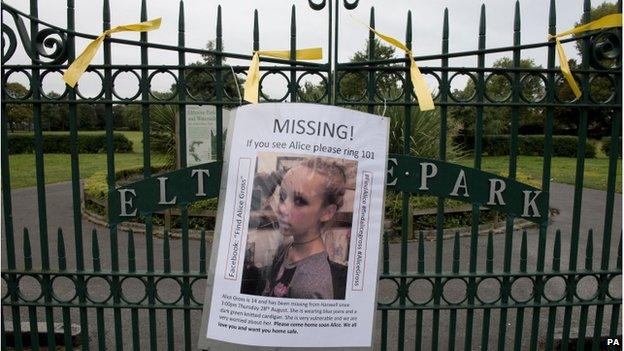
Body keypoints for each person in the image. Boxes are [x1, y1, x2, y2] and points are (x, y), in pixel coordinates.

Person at [262, 157, 347, 299]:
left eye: (300, 201)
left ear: (327, 212)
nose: (282, 208)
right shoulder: (287, 249)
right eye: (282, 197)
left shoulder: (311, 285)